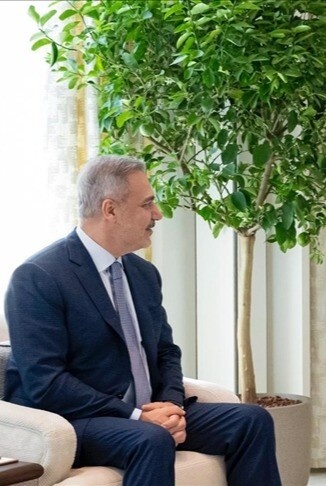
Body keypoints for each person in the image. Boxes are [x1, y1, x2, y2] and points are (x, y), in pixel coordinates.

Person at [3, 155, 281, 485]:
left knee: (251, 420)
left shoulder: (143, 273)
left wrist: (171, 407)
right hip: (76, 420)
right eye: (147, 204)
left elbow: (166, 352)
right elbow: (45, 382)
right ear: (110, 210)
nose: (158, 214)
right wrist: (136, 416)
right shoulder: (38, 276)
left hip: (145, 414)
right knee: (151, 438)